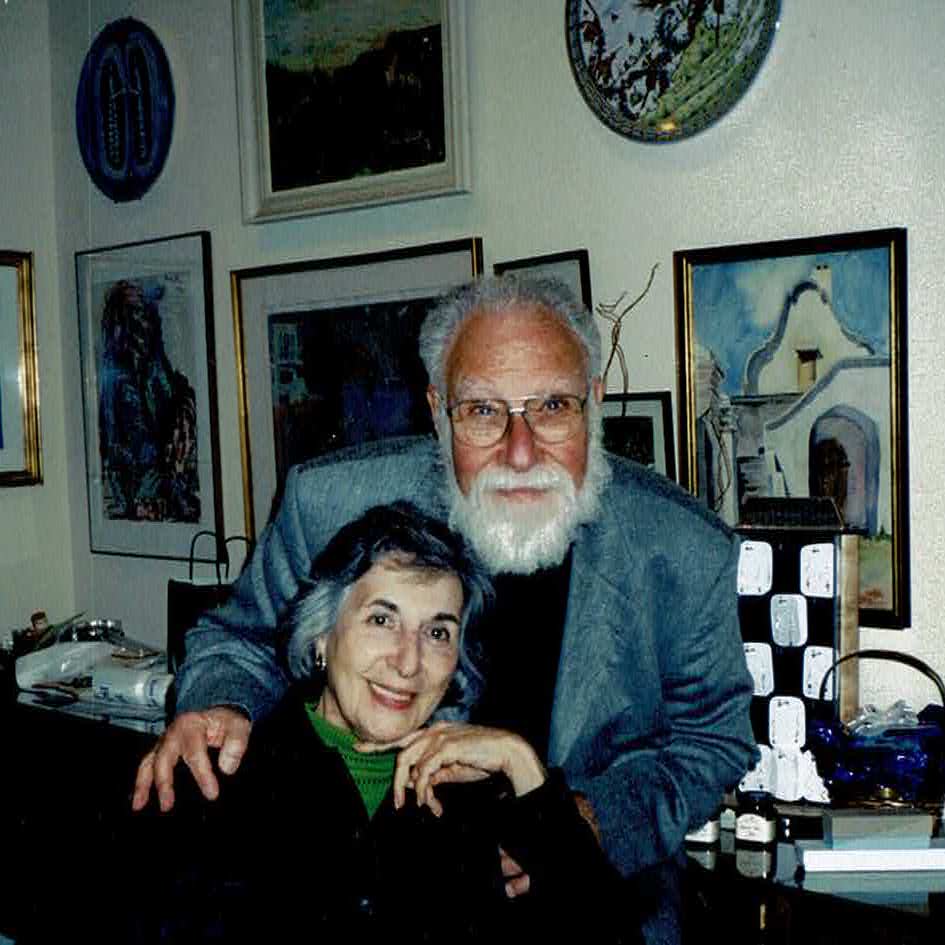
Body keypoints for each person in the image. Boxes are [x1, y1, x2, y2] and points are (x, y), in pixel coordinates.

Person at [134, 274, 758, 945]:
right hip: (377, 886)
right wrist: (224, 706)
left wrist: (585, 819)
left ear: (594, 403)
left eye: (551, 406)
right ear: (438, 410)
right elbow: (240, 640)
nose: (520, 451)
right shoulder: (329, 502)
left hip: (594, 891)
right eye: (483, 412)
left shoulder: (682, 548)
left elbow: (711, 739)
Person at [137, 502, 632, 943]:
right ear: (322, 637)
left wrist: (523, 766)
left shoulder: (479, 796)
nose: (408, 661)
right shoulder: (220, 778)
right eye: (382, 619)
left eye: (438, 631)